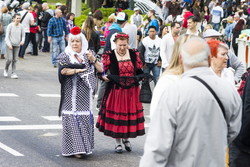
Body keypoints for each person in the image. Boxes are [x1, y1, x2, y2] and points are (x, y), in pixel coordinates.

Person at [140, 36, 242, 167]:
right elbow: (233, 130)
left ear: (181, 58)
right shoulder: (229, 90)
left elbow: (157, 144)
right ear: (209, 57)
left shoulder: (174, 91)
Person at [96, 32, 145, 153]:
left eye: (124, 45)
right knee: (118, 116)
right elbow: (102, 72)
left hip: (132, 91)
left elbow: (139, 70)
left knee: (128, 116)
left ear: (127, 44)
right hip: (116, 91)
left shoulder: (134, 54)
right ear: (115, 44)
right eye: (120, 45)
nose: (122, 47)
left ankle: (126, 139)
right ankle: (118, 142)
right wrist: (104, 78)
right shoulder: (109, 55)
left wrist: (142, 76)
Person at [58, 26, 103, 158]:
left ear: (82, 42)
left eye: (77, 41)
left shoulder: (88, 55)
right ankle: (76, 149)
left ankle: (83, 147)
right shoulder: (65, 55)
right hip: (70, 93)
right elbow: (63, 71)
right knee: (72, 119)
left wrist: (93, 60)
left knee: (83, 119)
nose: (75, 44)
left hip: (85, 95)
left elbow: (101, 70)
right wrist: (78, 70)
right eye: (72, 41)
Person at [4, 13, 25, 79]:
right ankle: (6, 69)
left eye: (19, 18)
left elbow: (23, 36)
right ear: (13, 19)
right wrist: (9, 44)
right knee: (10, 59)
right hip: (10, 44)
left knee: (15, 59)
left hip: (17, 45)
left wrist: (22, 41)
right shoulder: (10, 26)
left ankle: (13, 73)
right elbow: (7, 37)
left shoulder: (21, 26)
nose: (18, 19)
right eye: (17, 18)